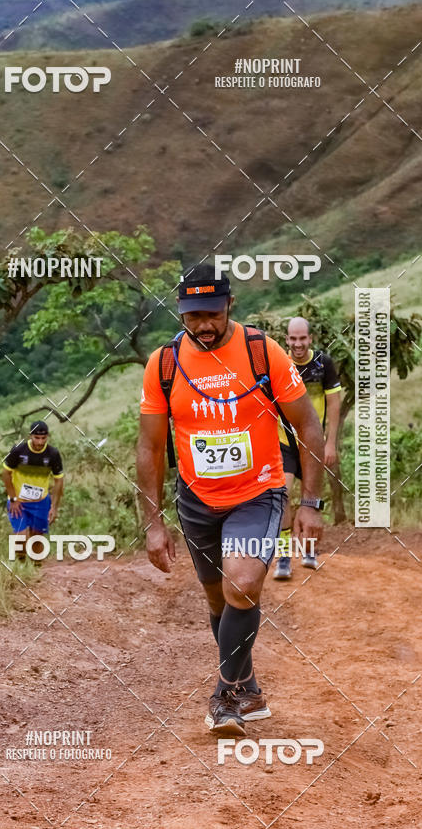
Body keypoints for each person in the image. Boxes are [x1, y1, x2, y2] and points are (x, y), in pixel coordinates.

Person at [136, 264, 325, 736]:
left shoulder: (263, 352)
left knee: (242, 585)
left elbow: (307, 425)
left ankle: (223, 697)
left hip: (258, 492)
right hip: (197, 500)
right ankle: (250, 688)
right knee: (221, 602)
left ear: (230, 306)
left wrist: (310, 502)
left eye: (212, 314)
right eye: (192, 315)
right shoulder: (163, 364)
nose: (203, 324)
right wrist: (153, 523)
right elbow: (149, 447)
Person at [273, 317, 341, 580]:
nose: (298, 344)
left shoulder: (324, 364)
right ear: (287, 339)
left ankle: (309, 550)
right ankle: (283, 556)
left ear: (310, 339)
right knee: (283, 495)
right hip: (284, 443)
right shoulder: (279, 363)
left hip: (313, 442)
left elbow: (334, 405)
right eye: (293, 339)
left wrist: (331, 443)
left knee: (311, 497)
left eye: (303, 338)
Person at [1, 420, 64, 560]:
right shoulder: (18, 450)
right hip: (19, 502)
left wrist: (54, 506)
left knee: (37, 539)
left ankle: (36, 569)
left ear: (48, 436)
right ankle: (21, 567)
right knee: (20, 538)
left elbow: (59, 480)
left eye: (43, 438)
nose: (40, 442)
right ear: (30, 436)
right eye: (37, 438)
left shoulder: (53, 454)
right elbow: (5, 474)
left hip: (40, 503)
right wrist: (13, 499)